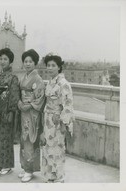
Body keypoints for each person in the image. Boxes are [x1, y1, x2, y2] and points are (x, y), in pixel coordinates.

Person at [41, 53, 74, 183]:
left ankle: (59, 175)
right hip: (48, 118)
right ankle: (50, 174)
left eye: (53, 65)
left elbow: (68, 104)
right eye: (48, 65)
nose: (50, 68)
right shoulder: (50, 83)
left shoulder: (64, 84)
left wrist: (64, 122)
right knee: (48, 146)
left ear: (59, 67)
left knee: (58, 147)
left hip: (58, 119)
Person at [17, 49, 45, 182]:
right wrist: (19, 103)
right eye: (25, 61)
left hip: (32, 113)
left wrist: (29, 105)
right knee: (24, 139)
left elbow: (40, 98)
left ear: (35, 63)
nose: (27, 64)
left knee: (30, 139)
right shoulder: (24, 77)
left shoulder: (38, 79)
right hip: (23, 111)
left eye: (30, 61)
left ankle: (30, 169)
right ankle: (25, 167)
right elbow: (18, 93)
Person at [0, 48, 20, 175]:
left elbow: (14, 96)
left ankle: (7, 165)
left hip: (7, 111)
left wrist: (11, 111)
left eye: (5, 59)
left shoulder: (13, 78)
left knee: (6, 138)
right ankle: (0, 163)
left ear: (10, 61)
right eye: (1, 59)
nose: (3, 61)